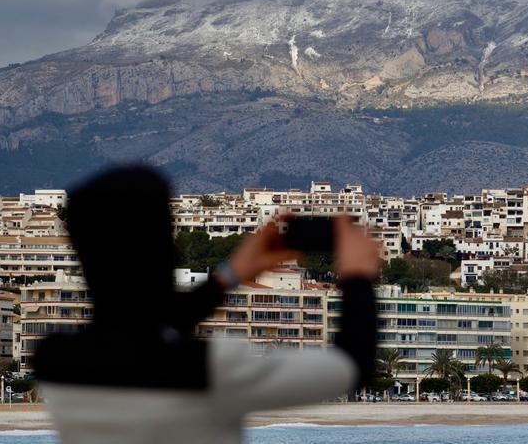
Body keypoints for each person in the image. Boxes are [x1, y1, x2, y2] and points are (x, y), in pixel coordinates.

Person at [33, 166, 379, 443]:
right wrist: (358, 276)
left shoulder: (57, 360)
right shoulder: (214, 368)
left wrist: (232, 273)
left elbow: (143, 330)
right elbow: (351, 367)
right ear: (168, 253)